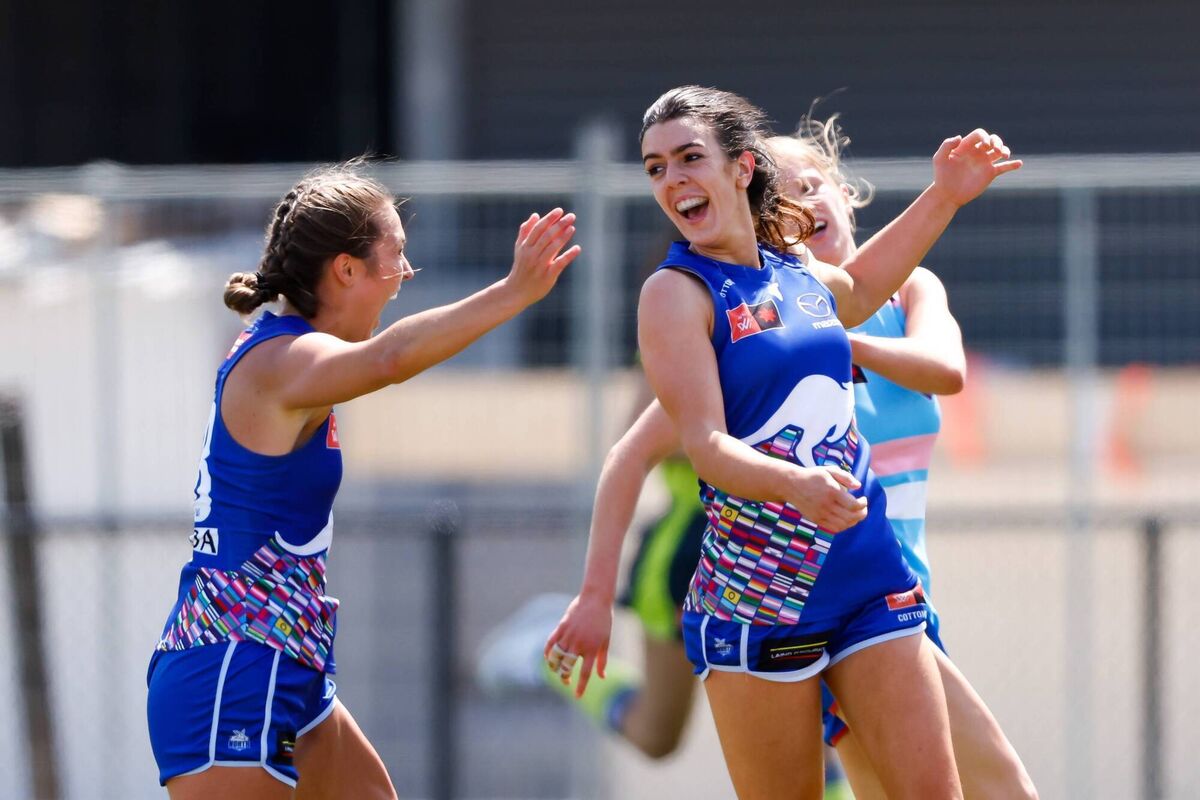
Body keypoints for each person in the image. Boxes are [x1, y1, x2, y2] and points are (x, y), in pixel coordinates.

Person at [547, 85, 1020, 799]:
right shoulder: (676, 294)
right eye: (654, 168)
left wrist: (945, 196)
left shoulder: (799, 276)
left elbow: (859, 287)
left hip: (868, 579)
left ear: (741, 168)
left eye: (688, 158)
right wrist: (591, 596)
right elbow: (701, 444)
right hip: (760, 597)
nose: (672, 180)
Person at [145, 160, 580, 799]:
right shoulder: (284, 360)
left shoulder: (287, 354)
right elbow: (391, 358)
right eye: (396, 256)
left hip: (284, 663)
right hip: (233, 669)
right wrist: (513, 291)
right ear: (345, 270)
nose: (406, 275)